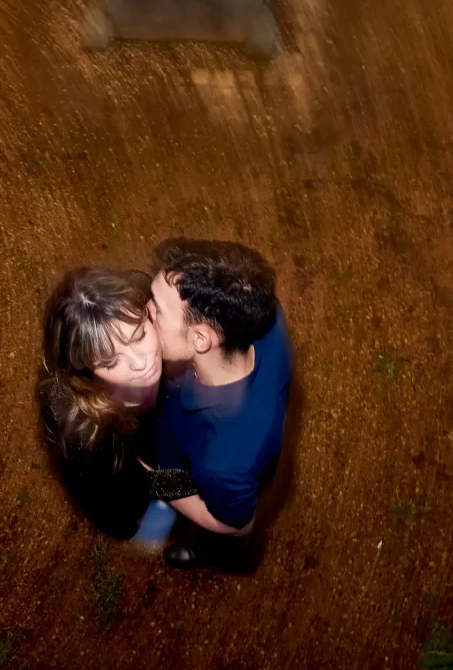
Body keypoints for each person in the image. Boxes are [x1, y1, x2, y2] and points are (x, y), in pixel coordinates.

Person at [146, 238, 293, 568]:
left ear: (200, 339)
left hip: (207, 476)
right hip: (183, 438)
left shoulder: (224, 461)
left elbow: (237, 525)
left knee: (224, 536)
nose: (146, 312)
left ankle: (208, 553)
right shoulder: (260, 313)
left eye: (156, 308)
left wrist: (157, 481)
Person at [37, 267, 197, 540]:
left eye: (139, 336)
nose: (141, 363)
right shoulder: (84, 432)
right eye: (110, 362)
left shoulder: (140, 289)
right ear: (85, 371)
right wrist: (199, 486)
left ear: (149, 312)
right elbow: (126, 490)